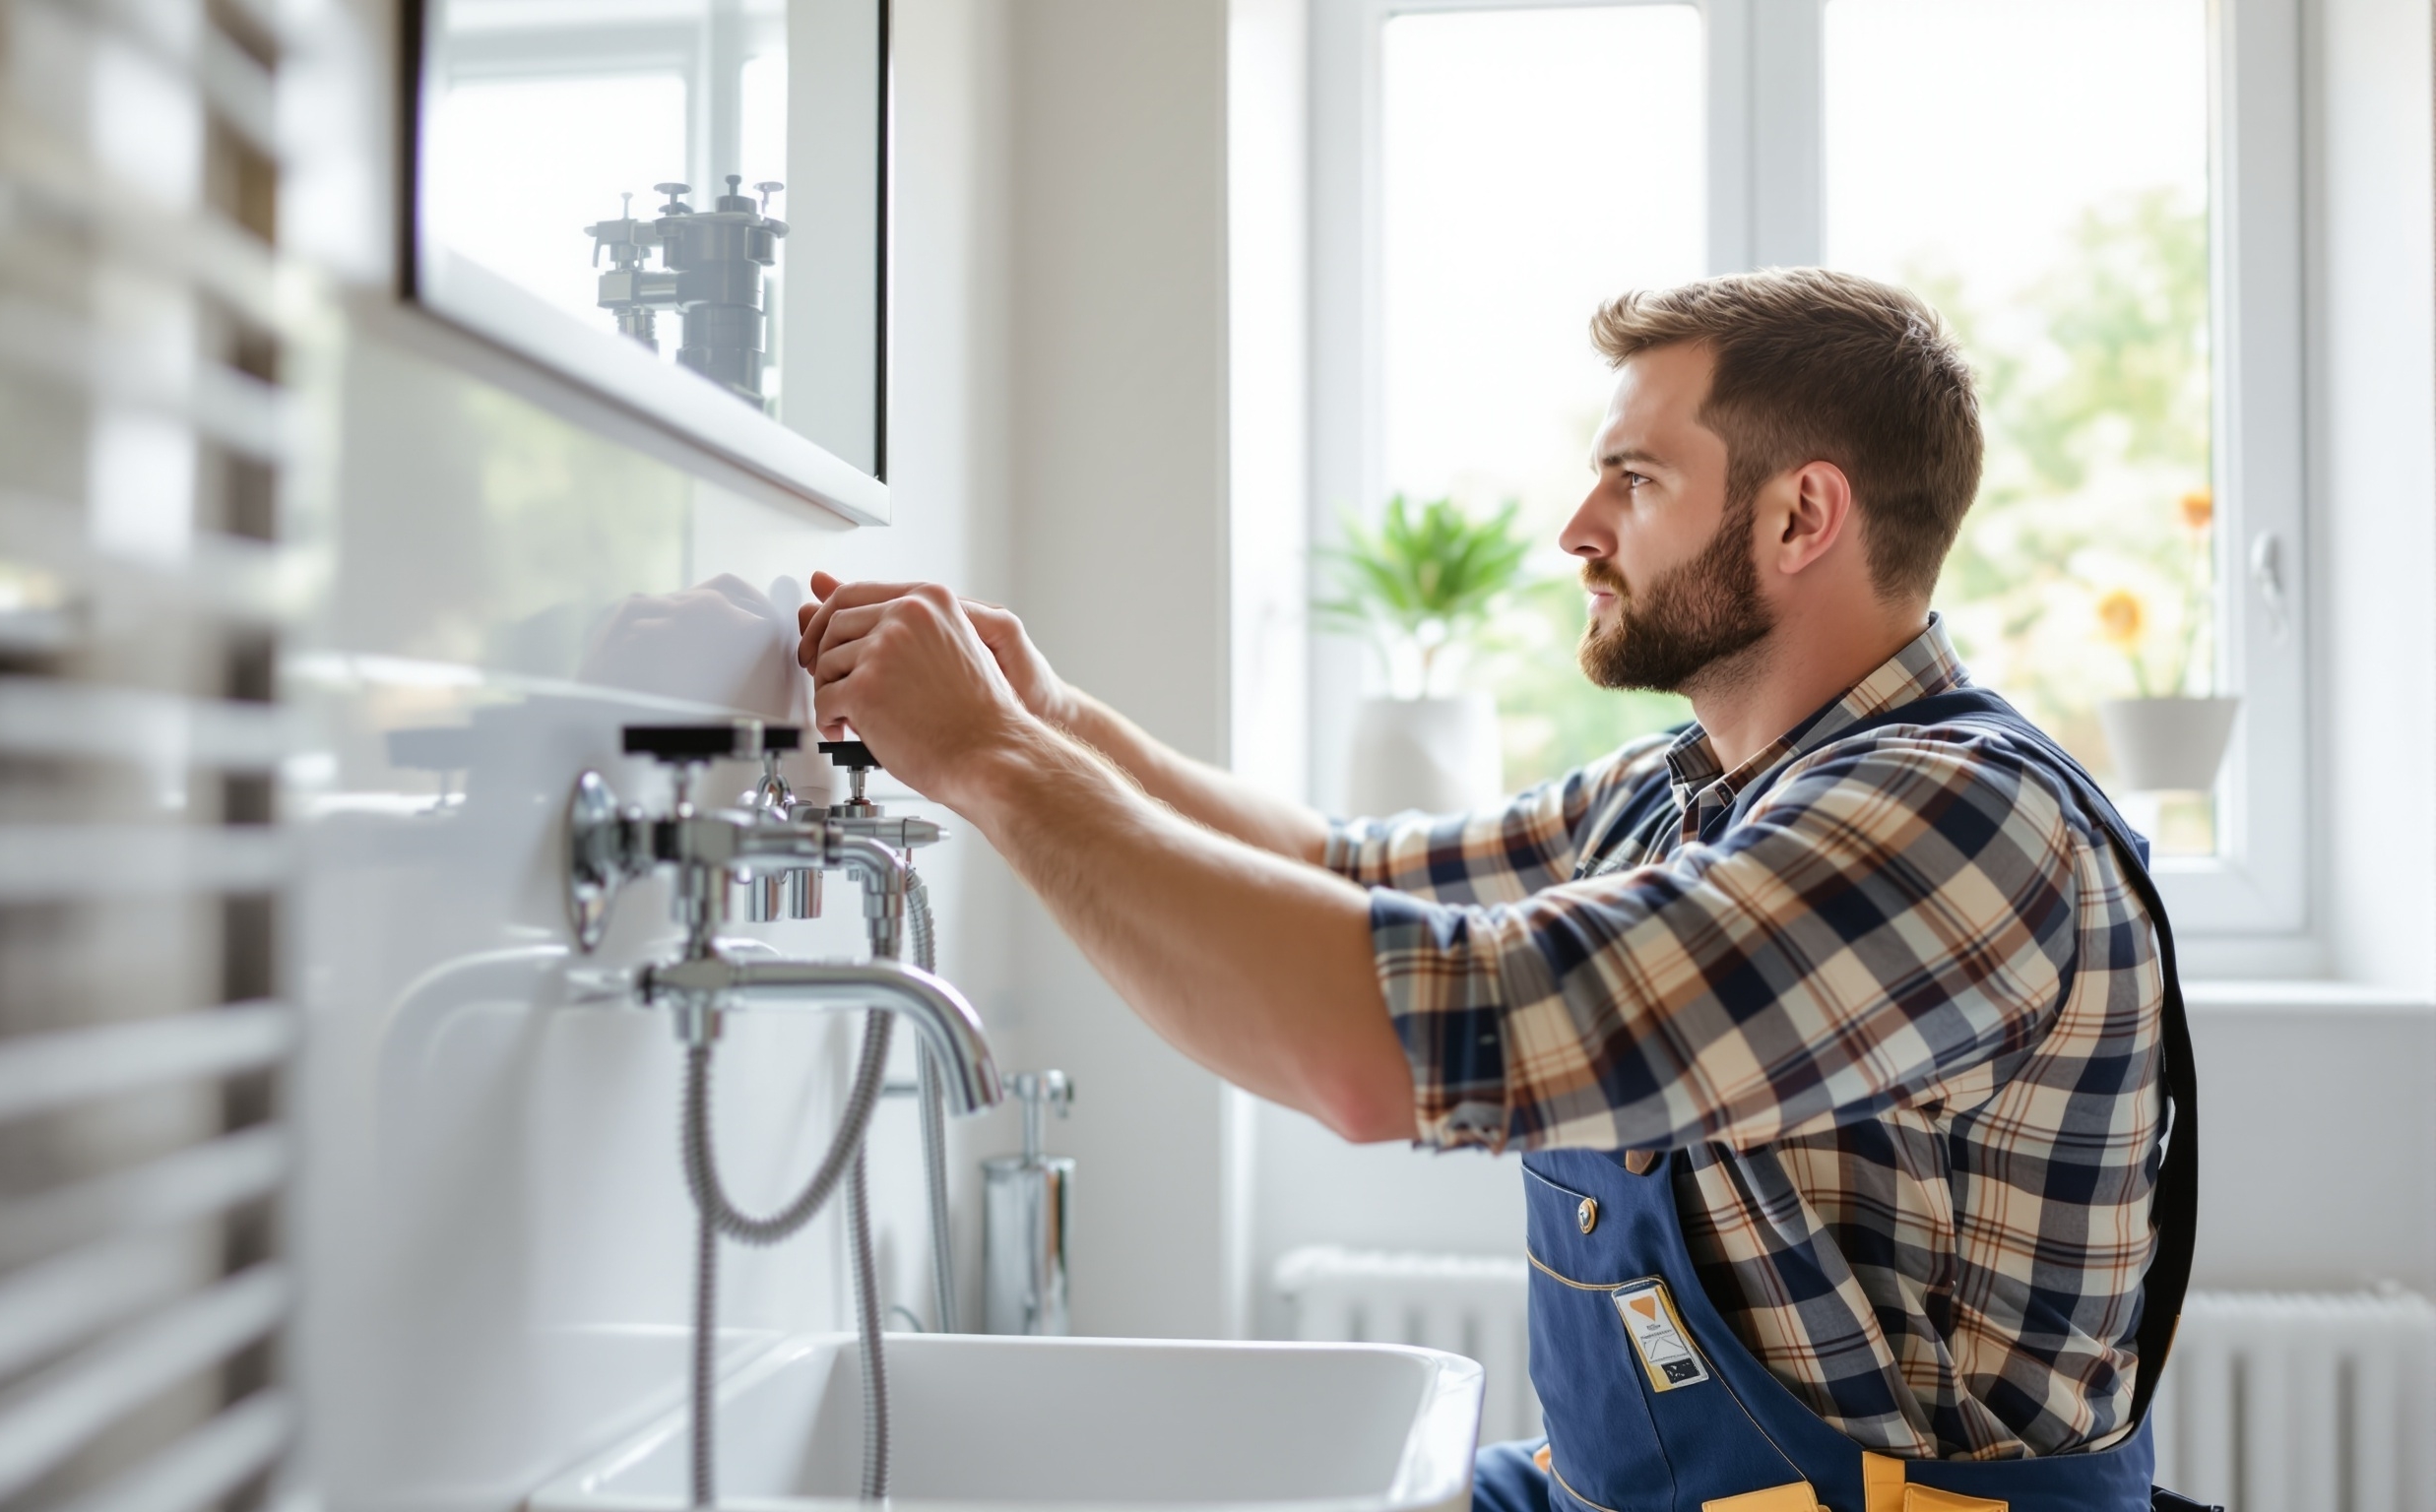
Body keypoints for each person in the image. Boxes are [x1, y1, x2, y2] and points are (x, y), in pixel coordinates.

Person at [796, 269, 2205, 1512]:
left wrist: (985, 762)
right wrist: (1049, 717)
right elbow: (1334, 873)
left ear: (1801, 515)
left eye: (1636, 480)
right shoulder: (1680, 796)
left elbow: (1394, 1042)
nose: (1576, 528)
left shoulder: (1954, 825)